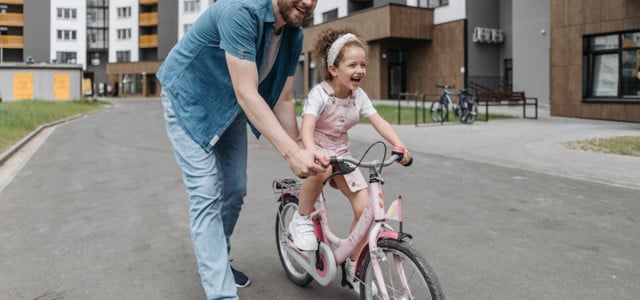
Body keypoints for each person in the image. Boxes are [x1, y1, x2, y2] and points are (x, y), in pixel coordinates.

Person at [156, 0, 323, 299]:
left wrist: (302, 148)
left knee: (234, 188)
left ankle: (217, 260)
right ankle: (221, 292)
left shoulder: (294, 34)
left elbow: (284, 99)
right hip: (188, 97)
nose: (309, 2)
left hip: (229, 105)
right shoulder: (241, 11)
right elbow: (247, 93)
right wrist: (290, 153)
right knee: (206, 192)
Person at [288, 28, 412, 258]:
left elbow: (379, 121)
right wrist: (312, 152)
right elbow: (307, 126)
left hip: (342, 153)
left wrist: (400, 145)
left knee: (365, 209)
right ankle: (301, 218)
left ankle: (354, 261)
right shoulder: (320, 94)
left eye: (363, 65)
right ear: (333, 69)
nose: (360, 70)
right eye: (352, 65)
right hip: (316, 147)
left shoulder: (359, 96)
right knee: (320, 170)